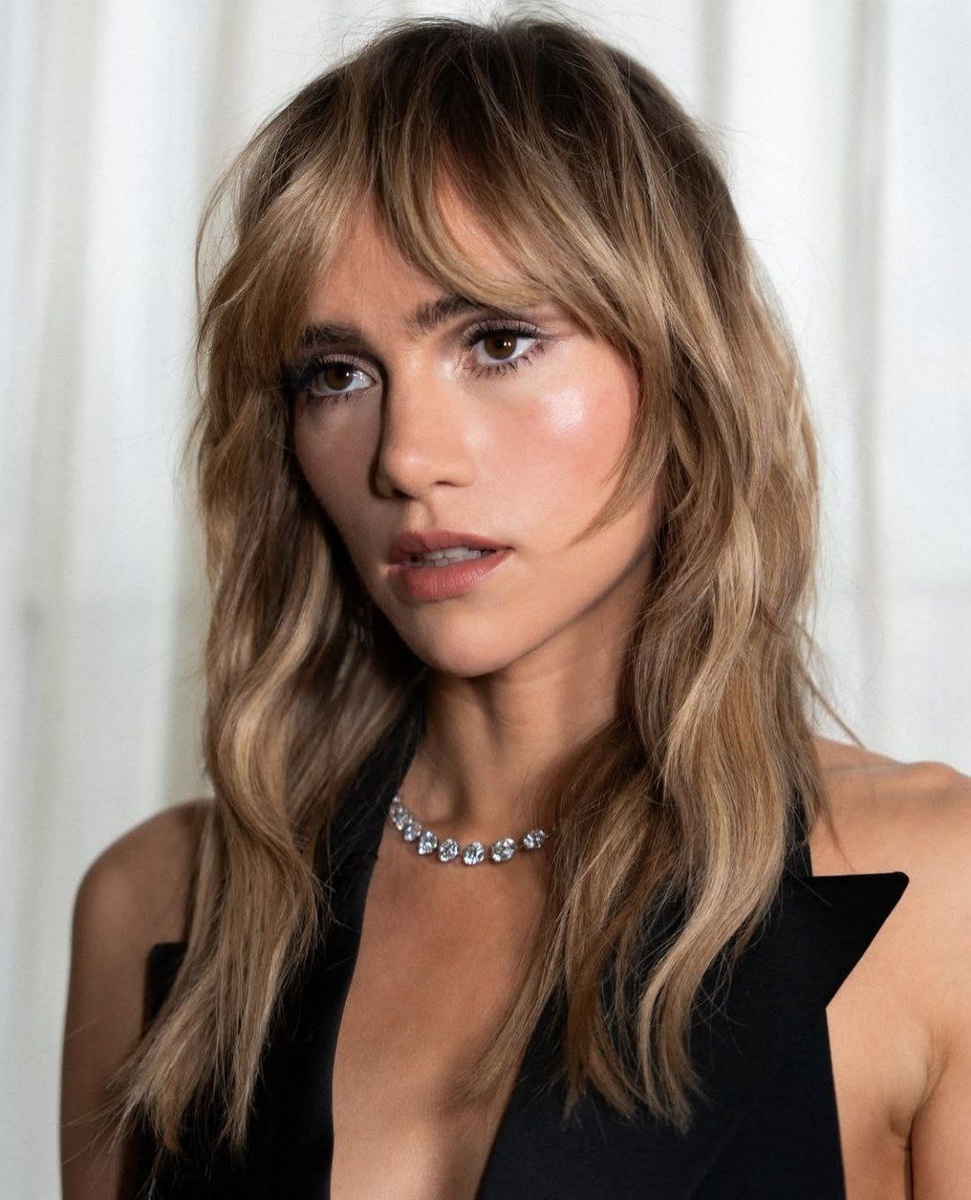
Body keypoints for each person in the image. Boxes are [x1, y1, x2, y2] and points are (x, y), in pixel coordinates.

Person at [60, 14, 971, 1199]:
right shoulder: (157, 905)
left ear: (683, 370)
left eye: (496, 342)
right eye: (336, 374)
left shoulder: (937, 891)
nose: (404, 456)